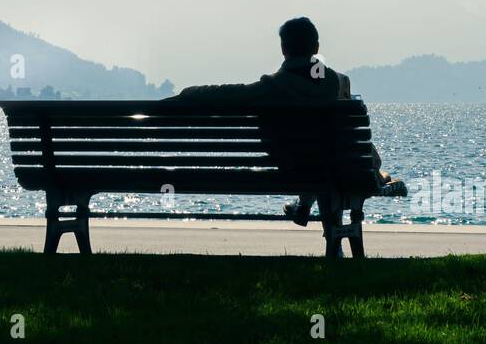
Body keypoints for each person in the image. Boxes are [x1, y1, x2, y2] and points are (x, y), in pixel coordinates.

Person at [169, 16, 406, 226]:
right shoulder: (337, 84)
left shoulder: (268, 88)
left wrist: (189, 92)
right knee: (329, 156)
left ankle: (303, 206)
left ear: (283, 49)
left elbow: (226, 93)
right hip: (338, 167)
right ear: (316, 47)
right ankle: (334, 224)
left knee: (312, 159)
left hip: (291, 167)